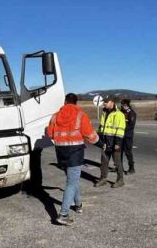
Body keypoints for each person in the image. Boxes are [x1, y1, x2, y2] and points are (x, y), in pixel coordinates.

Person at [46, 93, 103, 226]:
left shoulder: (55, 116)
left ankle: (78, 205)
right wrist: (101, 144)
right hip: (75, 152)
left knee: (73, 179)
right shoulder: (80, 115)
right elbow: (90, 135)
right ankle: (63, 214)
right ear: (76, 103)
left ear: (65, 102)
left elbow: (50, 133)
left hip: (61, 152)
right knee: (72, 182)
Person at [96, 97, 126, 188]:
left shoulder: (119, 114)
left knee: (117, 163)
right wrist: (99, 139)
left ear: (112, 102)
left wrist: (117, 143)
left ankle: (120, 180)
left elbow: (120, 130)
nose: (104, 103)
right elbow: (101, 127)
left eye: (106, 102)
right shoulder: (104, 113)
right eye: (104, 102)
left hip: (115, 142)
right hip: (105, 142)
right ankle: (103, 179)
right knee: (104, 162)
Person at [121, 98, 137, 175]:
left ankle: (131, 168)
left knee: (128, 152)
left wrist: (122, 129)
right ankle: (119, 167)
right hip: (121, 135)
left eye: (124, 105)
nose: (122, 106)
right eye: (122, 105)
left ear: (127, 105)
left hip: (128, 136)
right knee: (119, 152)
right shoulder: (121, 112)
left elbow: (131, 126)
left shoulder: (132, 113)